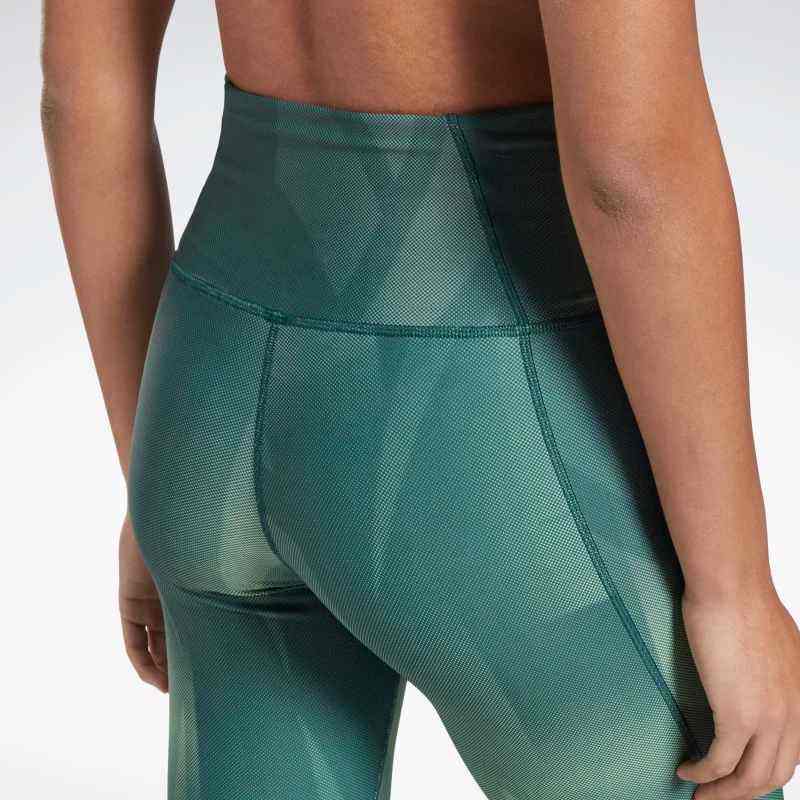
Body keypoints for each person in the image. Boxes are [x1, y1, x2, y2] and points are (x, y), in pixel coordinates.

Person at [40, 2, 800, 799]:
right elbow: (629, 174)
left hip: (209, 393)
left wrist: (146, 466)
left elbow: (79, 95)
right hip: (475, 418)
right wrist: (733, 589)